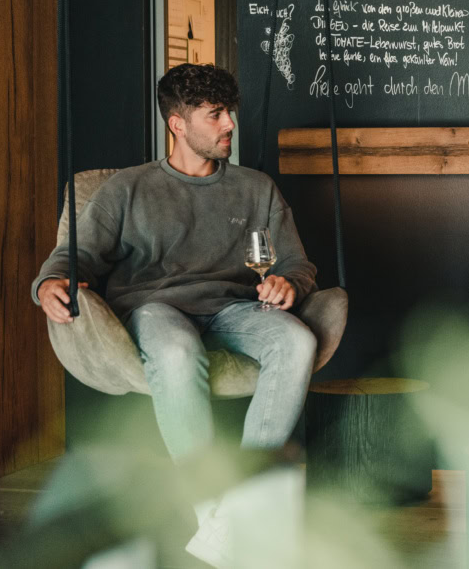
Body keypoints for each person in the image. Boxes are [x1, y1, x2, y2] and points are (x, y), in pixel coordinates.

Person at [32, 63, 319, 567]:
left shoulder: (256, 189)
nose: (229, 124)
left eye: (229, 112)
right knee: (174, 349)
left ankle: (237, 506)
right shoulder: (127, 188)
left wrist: (287, 282)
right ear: (178, 124)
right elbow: (75, 255)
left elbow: (295, 262)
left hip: (234, 307)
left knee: (297, 341)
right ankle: (214, 508)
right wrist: (49, 283)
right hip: (155, 308)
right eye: (215, 115)